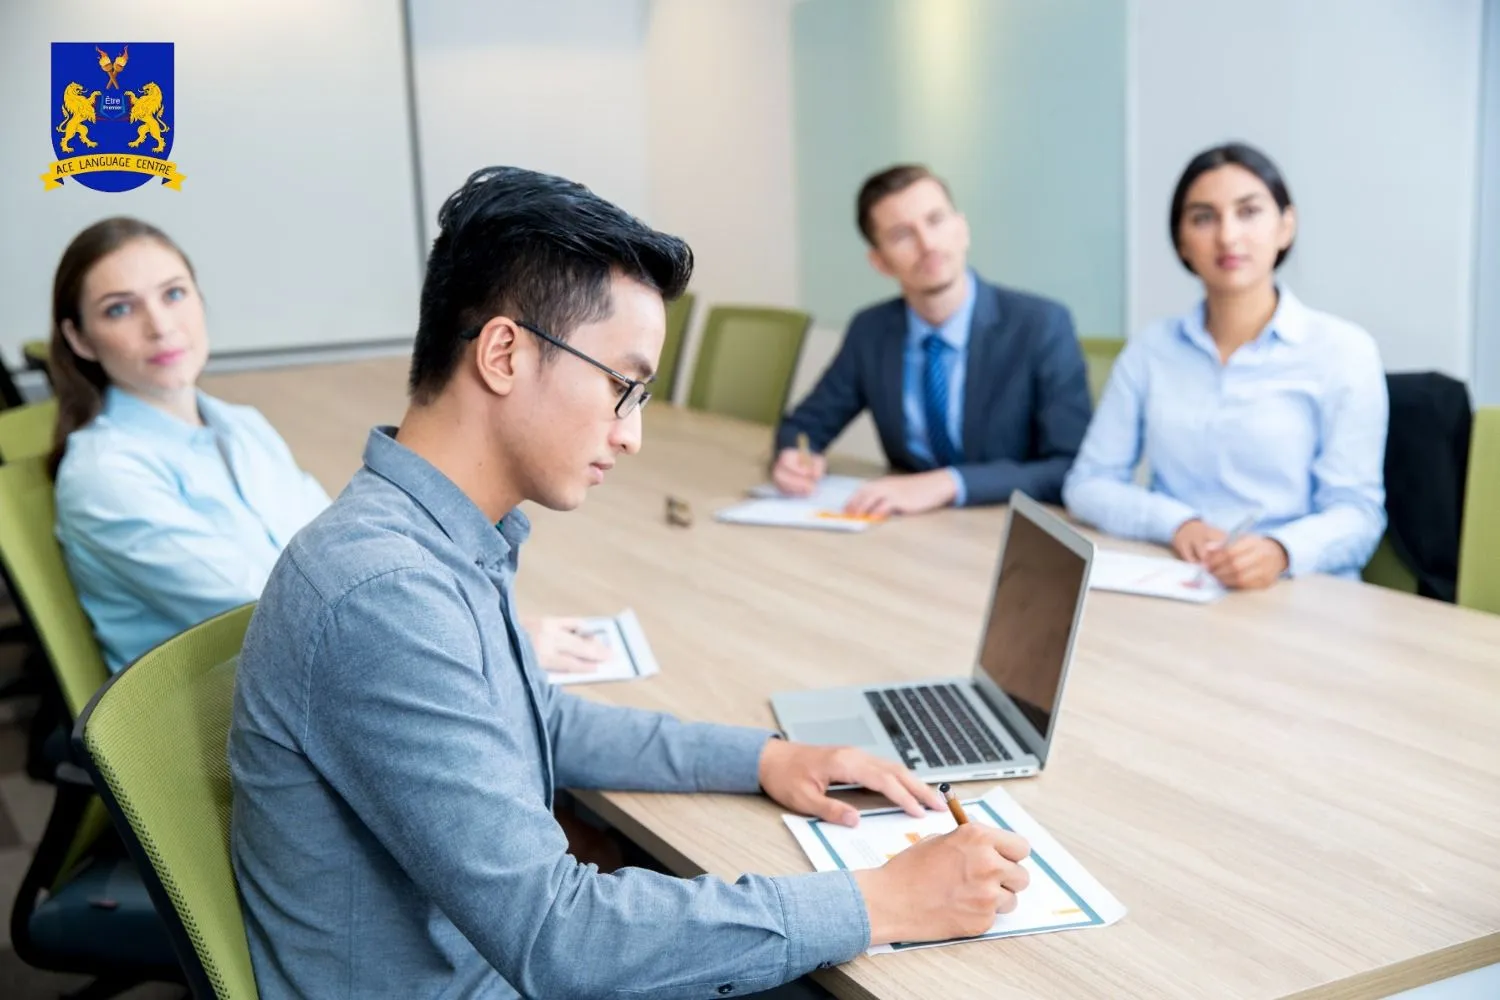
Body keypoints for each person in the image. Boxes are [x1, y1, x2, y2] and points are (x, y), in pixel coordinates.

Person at [227, 166, 1034, 999]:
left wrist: (767, 756)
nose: (633, 433)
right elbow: (562, 936)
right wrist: (882, 900)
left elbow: (534, 720)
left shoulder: (435, 534)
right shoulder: (385, 591)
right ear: (503, 353)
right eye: (623, 385)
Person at [48, 216, 609, 673]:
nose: (160, 325)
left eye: (173, 294)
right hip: (226, 730)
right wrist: (484, 639)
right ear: (79, 338)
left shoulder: (240, 427)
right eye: (120, 308)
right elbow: (284, 609)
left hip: (319, 669)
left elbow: (336, 553)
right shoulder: (104, 475)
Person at [1062, 142, 1388, 587]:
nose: (1228, 236)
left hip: (1301, 590)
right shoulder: (1151, 350)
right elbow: (1088, 485)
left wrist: (1280, 551)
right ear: (1182, 242)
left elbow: (1358, 513)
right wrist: (1178, 523)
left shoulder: (1343, 352)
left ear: (1285, 226)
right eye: (1203, 217)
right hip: (1179, 580)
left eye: (1249, 212)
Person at [771, 164, 1092, 515]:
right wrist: (793, 457)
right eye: (901, 235)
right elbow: (804, 427)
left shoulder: (1040, 325)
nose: (927, 244)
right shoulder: (872, 331)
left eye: (936, 220)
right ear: (880, 262)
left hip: (1006, 530)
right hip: (911, 533)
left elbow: (1070, 467)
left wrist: (948, 482)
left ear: (962, 229)